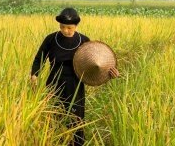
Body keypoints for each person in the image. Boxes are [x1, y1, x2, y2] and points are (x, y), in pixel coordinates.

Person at [30, 7, 119, 146]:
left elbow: (97, 63)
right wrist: (34, 75)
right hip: (54, 84)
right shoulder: (51, 39)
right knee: (55, 118)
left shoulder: (84, 41)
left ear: (76, 26)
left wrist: (110, 73)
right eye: (63, 27)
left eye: (69, 28)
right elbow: (39, 58)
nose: (65, 30)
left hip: (75, 86)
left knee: (76, 119)